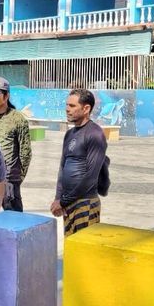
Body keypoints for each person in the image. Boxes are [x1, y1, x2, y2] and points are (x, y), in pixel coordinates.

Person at [51, 89, 109, 237]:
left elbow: (91, 177)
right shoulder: (70, 134)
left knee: (85, 253)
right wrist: (58, 198)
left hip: (85, 203)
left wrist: (63, 202)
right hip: (68, 204)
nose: (67, 109)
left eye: (72, 106)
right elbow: (62, 168)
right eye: (66, 105)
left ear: (86, 108)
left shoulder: (95, 134)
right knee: (72, 250)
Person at [0, 77, 32, 212]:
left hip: (10, 179)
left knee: (13, 217)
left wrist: (18, 178)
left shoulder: (18, 119)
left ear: (6, 95)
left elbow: (25, 153)